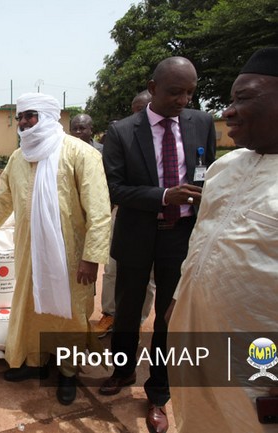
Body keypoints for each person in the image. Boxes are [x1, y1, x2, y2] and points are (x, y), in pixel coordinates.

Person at [0, 93, 111, 406]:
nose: (22, 122)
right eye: (19, 117)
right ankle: (36, 362)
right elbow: (5, 198)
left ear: (46, 115)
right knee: (32, 308)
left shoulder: (80, 153)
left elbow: (99, 211)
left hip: (71, 258)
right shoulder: (19, 157)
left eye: (28, 116)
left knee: (70, 315)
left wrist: (91, 258)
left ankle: (68, 374)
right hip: (30, 251)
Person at [100, 57, 216, 433]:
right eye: (174, 91)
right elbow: (115, 189)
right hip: (136, 235)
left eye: (189, 92)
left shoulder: (201, 123)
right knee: (129, 312)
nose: (183, 99)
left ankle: (158, 394)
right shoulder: (121, 132)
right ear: (153, 88)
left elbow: (207, 173)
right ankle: (121, 370)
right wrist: (165, 195)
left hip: (180, 238)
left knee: (168, 318)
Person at [167, 47, 278, 433]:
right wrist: (180, 301)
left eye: (243, 99)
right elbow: (201, 239)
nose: (227, 111)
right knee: (196, 412)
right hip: (196, 329)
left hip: (258, 356)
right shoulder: (225, 166)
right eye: (230, 100)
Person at [95, 90, 155, 338]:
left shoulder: (167, 141)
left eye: (140, 110)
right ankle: (109, 314)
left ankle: (137, 319)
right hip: (122, 214)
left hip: (154, 218)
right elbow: (113, 183)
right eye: (134, 111)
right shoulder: (124, 137)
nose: (136, 116)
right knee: (112, 268)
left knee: (148, 276)